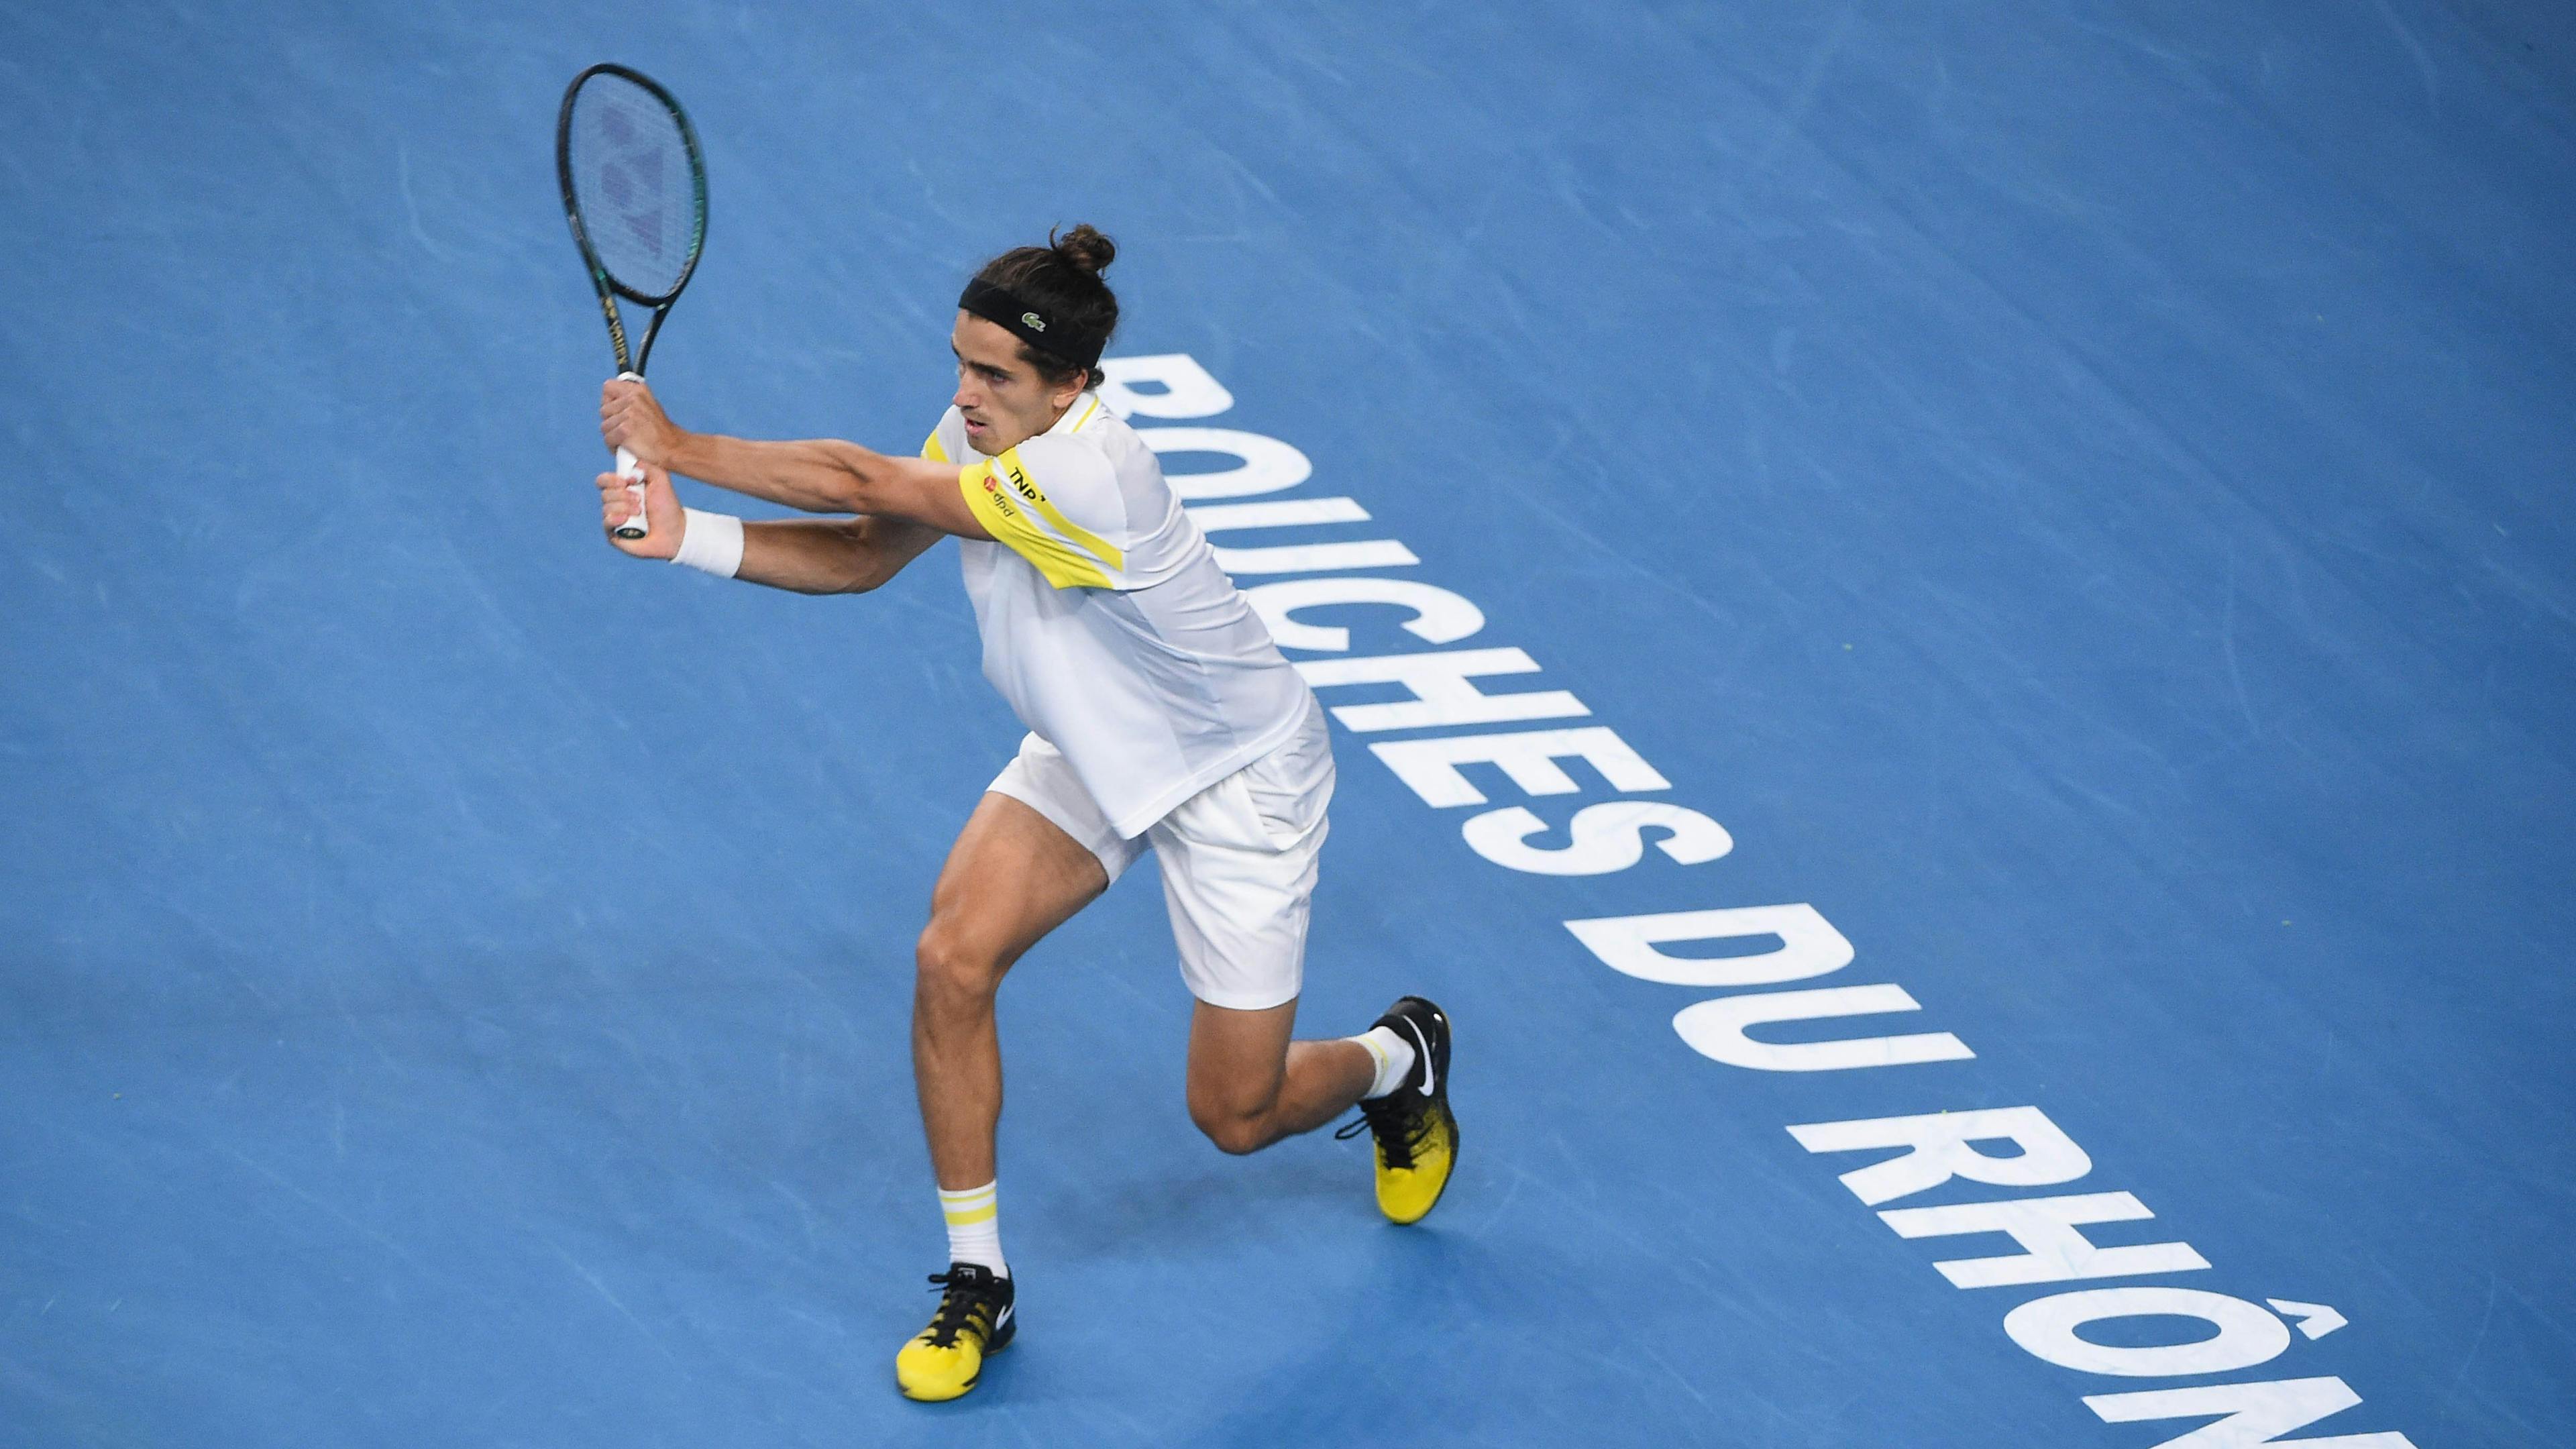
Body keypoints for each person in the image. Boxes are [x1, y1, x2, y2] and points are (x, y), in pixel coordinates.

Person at [590, 225, 1458, 1403]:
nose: (966, 396)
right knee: (952, 958)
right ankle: (976, 1276)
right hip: (1095, 750)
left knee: (1236, 1116)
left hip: (1238, 776)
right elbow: (860, 554)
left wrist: (678, 446)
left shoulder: (1092, 476)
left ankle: (1394, 1062)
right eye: (961, 363)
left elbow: (858, 480)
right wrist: (688, 536)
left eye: (996, 376)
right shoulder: (981, 438)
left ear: (1075, 388)